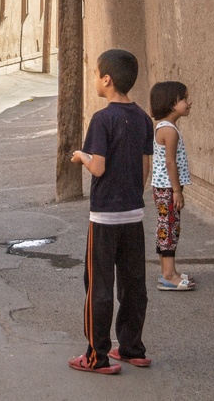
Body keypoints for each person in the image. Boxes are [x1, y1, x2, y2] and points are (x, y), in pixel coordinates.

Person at [69, 49, 153, 375]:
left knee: (99, 286)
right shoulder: (142, 118)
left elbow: (99, 167)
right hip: (133, 213)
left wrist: (81, 156)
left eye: (95, 74)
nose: (94, 79)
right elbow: (145, 167)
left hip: (105, 216)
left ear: (107, 79)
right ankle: (132, 348)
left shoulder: (102, 119)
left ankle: (96, 356)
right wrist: (132, 194)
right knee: (133, 284)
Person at [148, 81, 195, 292]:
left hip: (162, 187)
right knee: (169, 228)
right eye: (184, 98)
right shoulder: (170, 131)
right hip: (167, 188)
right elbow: (170, 163)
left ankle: (168, 272)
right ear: (170, 103)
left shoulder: (164, 127)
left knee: (166, 227)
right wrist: (177, 190)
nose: (189, 102)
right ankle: (168, 275)